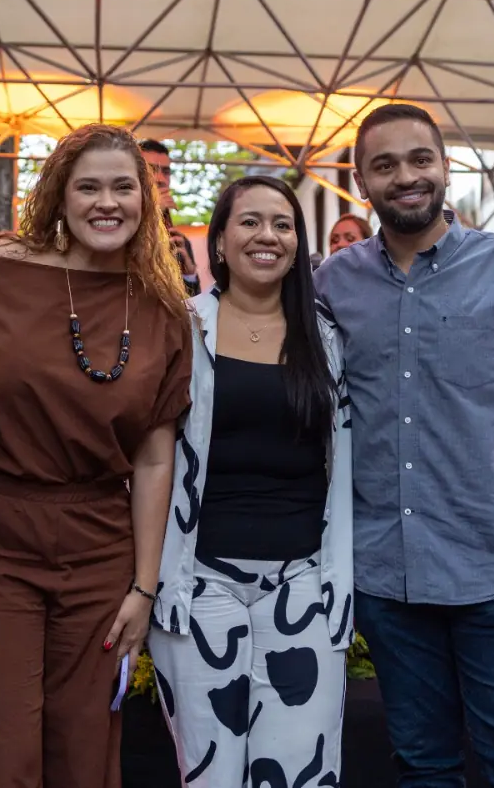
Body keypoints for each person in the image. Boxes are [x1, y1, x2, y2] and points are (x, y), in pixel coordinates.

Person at [314, 103, 494, 788]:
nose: (406, 177)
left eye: (420, 159)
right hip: (388, 574)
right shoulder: (330, 284)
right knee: (422, 767)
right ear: (362, 181)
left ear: (445, 168)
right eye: (384, 165)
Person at [0, 124, 192, 788]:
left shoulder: (164, 308)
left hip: (100, 546)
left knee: (84, 745)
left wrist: (143, 584)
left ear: (146, 199)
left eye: (123, 187)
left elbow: (156, 458)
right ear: (60, 196)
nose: (107, 202)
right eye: (89, 187)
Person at [150, 176, 354, 786]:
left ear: (298, 244)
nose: (267, 235)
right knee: (209, 775)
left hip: (306, 586)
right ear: (217, 243)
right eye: (250, 222)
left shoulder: (328, 338)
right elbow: (152, 458)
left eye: (282, 224)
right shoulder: (182, 330)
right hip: (198, 586)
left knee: (300, 774)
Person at [140, 138, 200, 296]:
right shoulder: (120, 231)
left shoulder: (180, 240)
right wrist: (151, 214)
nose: (160, 179)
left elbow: (194, 305)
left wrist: (189, 274)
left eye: (166, 172)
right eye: (151, 170)